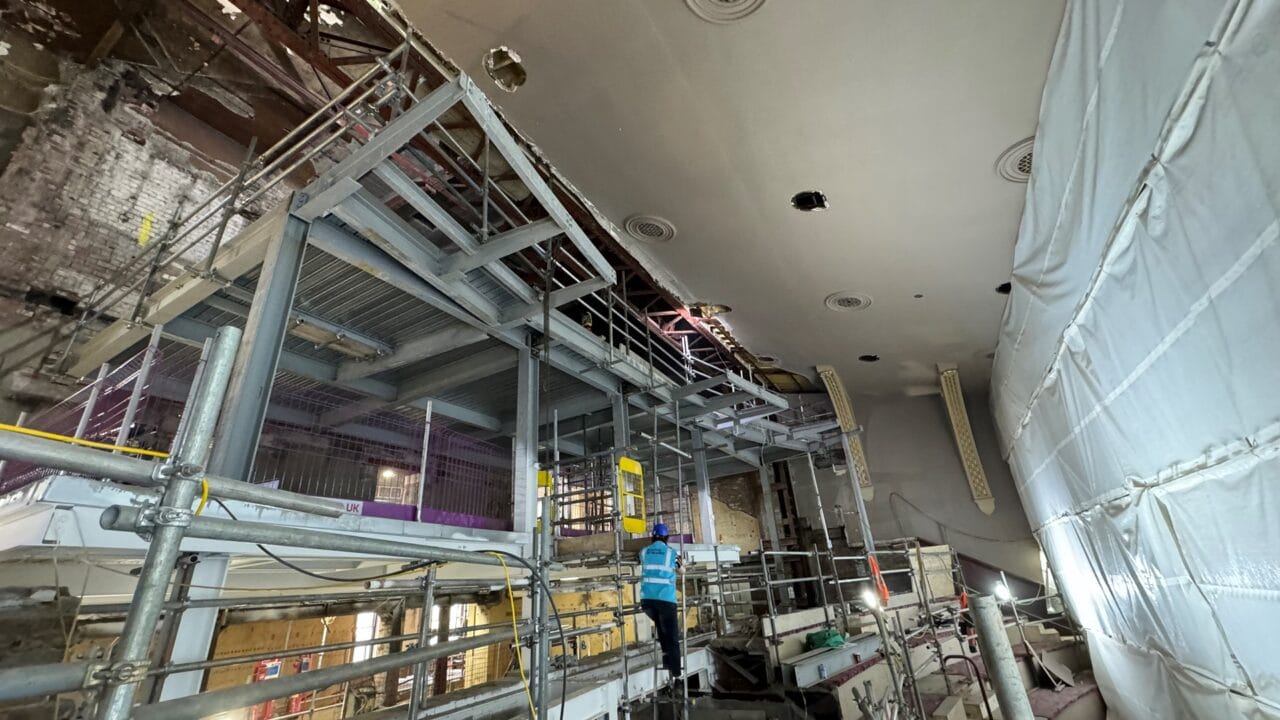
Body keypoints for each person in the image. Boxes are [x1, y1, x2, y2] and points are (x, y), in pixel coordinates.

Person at [639, 522, 683, 682]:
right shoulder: (671, 553)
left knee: (663, 632)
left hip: (647, 602)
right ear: (667, 537)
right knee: (671, 636)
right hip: (665, 600)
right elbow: (681, 569)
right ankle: (677, 674)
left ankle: (667, 662)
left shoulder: (643, 552)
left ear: (653, 536)